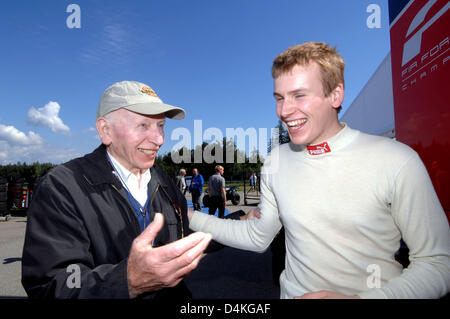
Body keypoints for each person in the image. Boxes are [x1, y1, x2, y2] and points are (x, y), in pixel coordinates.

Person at [189, 42, 450, 299]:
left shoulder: (396, 160)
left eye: (299, 95)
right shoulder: (277, 159)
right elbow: (258, 236)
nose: (284, 110)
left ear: (335, 95)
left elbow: (439, 263)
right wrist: (188, 215)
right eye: (279, 98)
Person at [21, 80, 213, 299]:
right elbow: (52, 283)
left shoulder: (162, 179)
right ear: (105, 130)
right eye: (143, 125)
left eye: (161, 126)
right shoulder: (61, 187)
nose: (159, 139)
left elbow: (188, 231)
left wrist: (242, 224)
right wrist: (129, 280)